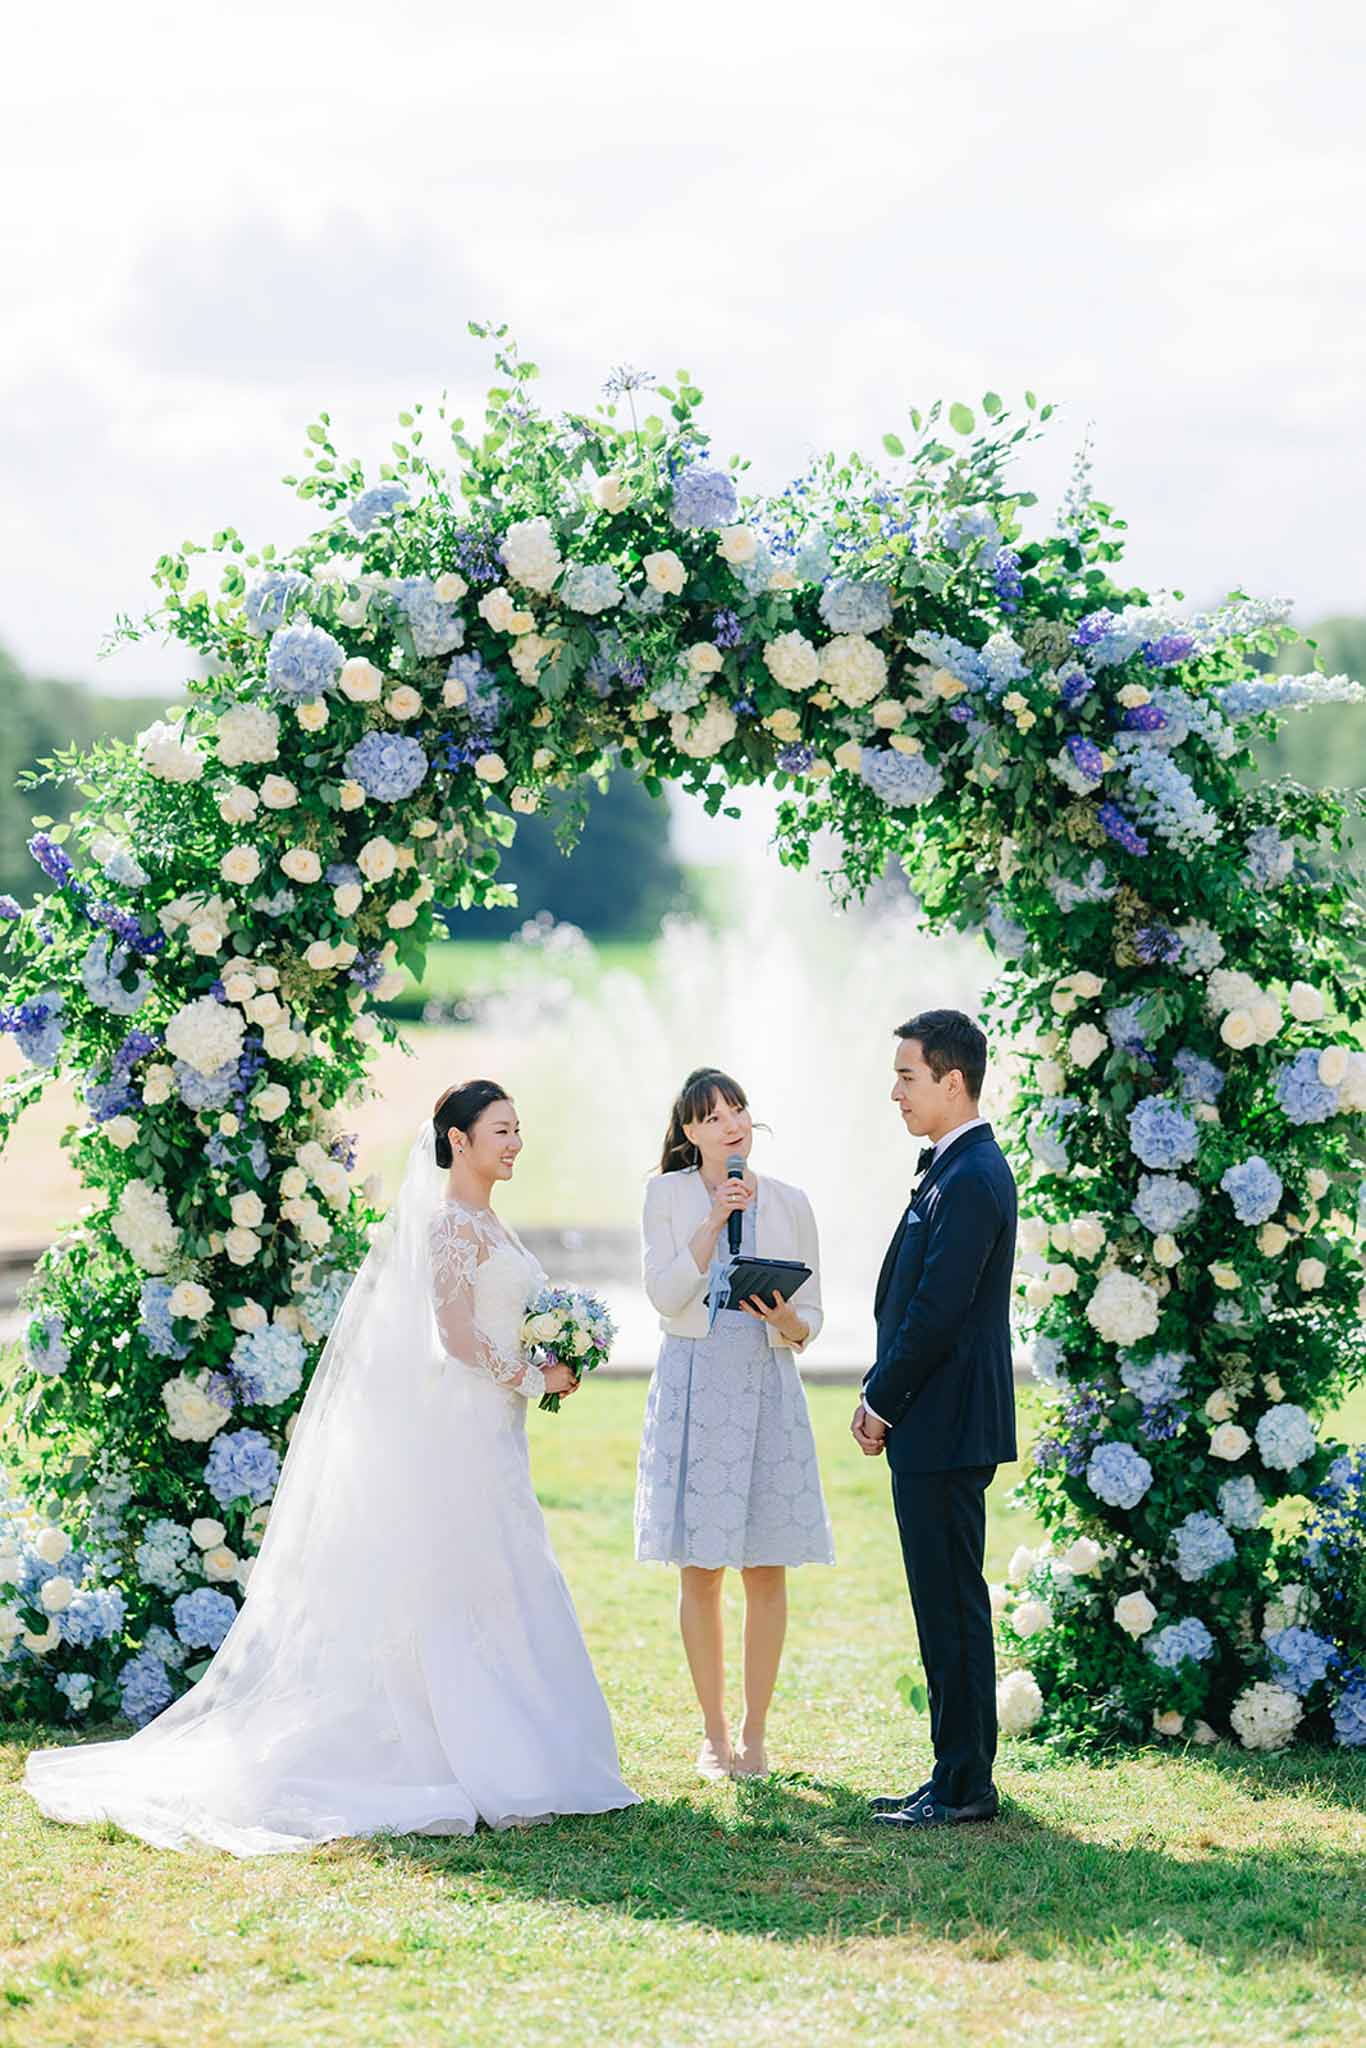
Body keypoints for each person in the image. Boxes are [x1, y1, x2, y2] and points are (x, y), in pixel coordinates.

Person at [24, 1081, 639, 1853]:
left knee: (500, 1575)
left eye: (519, 1129)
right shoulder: (450, 1228)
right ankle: (467, 1749)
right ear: (459, 1141)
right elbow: (452, 1336)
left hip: (494, 1433)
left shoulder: (492, 1224)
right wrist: (530, 1375)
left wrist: (555, 1352)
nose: (516, 1142)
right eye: (502, 1130)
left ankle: (522, 1744)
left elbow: (497, 1322)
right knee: (464, 1576)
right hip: (461, 1429)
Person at [636, 1066, 833, 1782]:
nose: (731, 1123)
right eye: (713, 1115)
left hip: (764, 1381)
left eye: (739, 1110)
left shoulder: (790, 1201)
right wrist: (714, 1216)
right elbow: (663, 1295)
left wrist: (787, 1321)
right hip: (694, 1384)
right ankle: (713, 1735)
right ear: (689, 1131)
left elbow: (812, 1318)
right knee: (701, 1567)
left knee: (765, 1564)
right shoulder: (664, 1195)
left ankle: (755, 1735)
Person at [851, 1010, 1018, 1830]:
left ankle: (963, 1788)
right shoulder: (951, 1170)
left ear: (954, 1081)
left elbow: (937, 1313)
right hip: (936, 1423)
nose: (896, 1092)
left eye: (908, 1076)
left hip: (944, 1423)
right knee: (942, 1603)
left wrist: (881, 1397)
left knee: (952, 1605)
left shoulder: (976, 1176)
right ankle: (952, 1774)